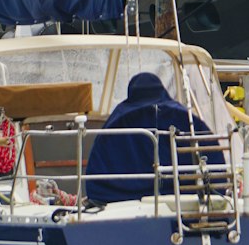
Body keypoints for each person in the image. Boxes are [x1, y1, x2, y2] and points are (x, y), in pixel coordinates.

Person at [84, 71, 224, 203]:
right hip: (188, 198)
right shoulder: (183, 117)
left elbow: (97, 180)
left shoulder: (119, 121)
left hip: (122, 200)